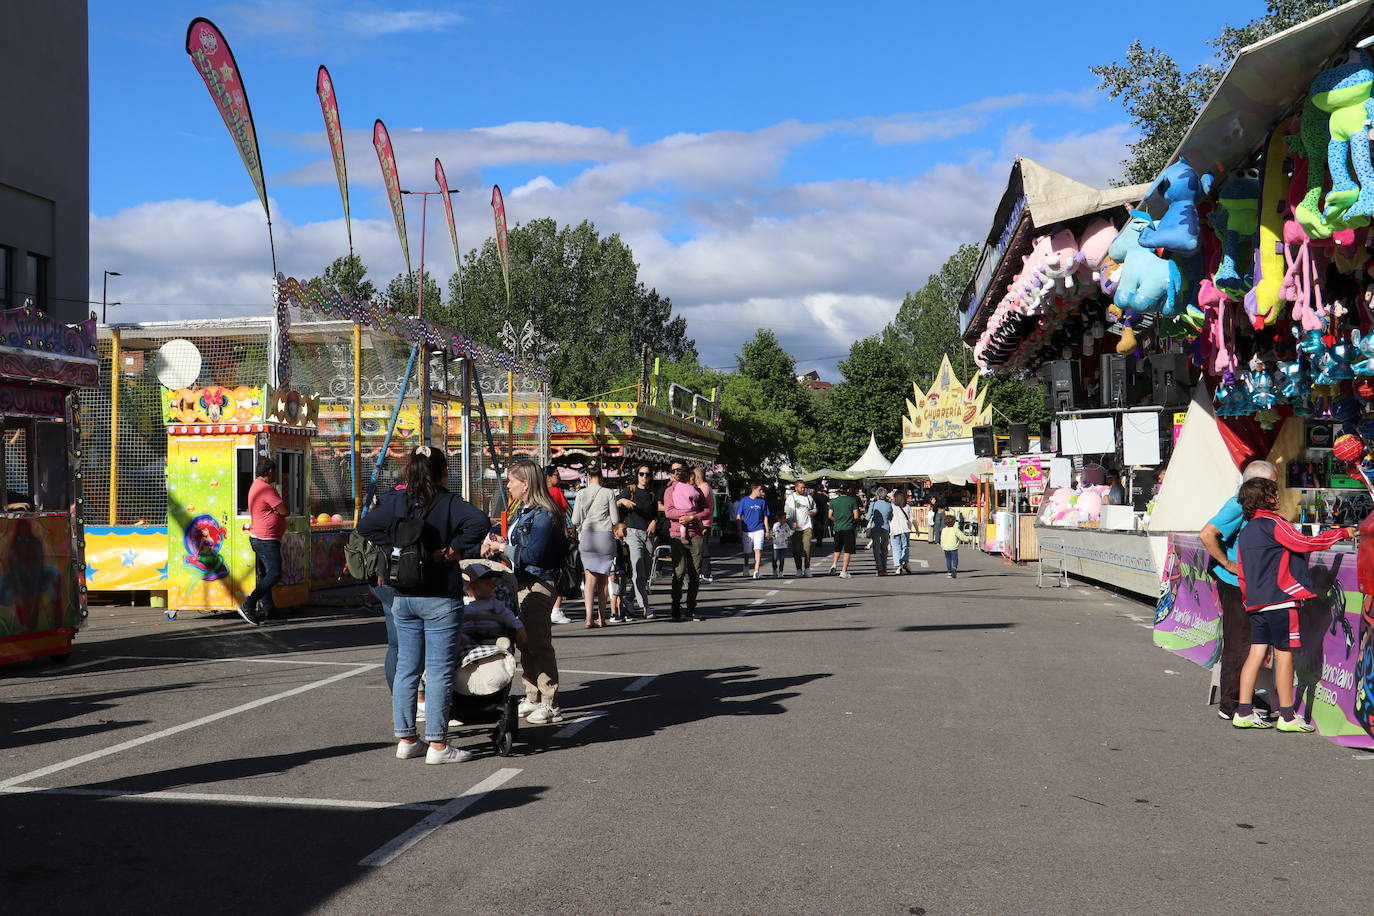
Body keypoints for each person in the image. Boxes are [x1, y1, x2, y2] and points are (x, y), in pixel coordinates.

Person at [358, 446, 491, 764]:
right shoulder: (448, 502)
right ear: (444, 472)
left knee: (407, 668)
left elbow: (365, 527)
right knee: (439, 672)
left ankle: (406, 738)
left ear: (410, 473)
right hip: (440, 597)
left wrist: (396, 547)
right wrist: (451, 551)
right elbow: (480, 522)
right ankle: (438, 745)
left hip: (403, 596)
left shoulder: (398, 502)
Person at [1233, 477, 1353, 731]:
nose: (1278, 497)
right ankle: (1287, 716)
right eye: (1274, 493)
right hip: (1281, 600)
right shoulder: (1275, 523)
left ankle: (1243, 710)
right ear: (1267, 498)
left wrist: (1249, 599)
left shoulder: (1246, 531)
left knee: (1256, 654)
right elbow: (1305, 543)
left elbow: (1241, 571)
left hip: (1256, 601)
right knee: (1284, 655)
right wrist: (1341, 533)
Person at [489, 457, 569, 725]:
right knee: (526, 641)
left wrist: (502, 548)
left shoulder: (545, 514)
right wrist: (501, 542)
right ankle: (532, 694)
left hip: (538, 583)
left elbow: (533, 553)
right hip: (521, 582)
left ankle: (550, 701)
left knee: (539, 642)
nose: (508, 485)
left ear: (525, 483)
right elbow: (521, 546)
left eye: (511, 480)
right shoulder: (524, 511)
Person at [1199, 460, 1279, 721]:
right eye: (1273, 484)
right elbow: (1207, 533)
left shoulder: (1250, 504)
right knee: (1240, 642)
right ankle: (1231, 703)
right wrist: (1227, 563)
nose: (1277, 490)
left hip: (1247, 582)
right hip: (1234, 583)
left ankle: (1241, 695)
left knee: (1248, 641)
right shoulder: (1237, 504)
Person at [570, 465, 620, 628]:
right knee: (603, 580)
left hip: (588, 536)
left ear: (588, 478)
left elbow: (575, 520)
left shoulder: (581, 494)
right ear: (602, 477)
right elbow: (614, 519)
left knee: (589, 579)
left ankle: (588, 618)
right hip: (604, 536)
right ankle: (602, 618)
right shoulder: (608, 493)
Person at [241, 457, 289, 626]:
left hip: (259, 537)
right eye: (275, 471)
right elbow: (285, 510)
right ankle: (249, 603)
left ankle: (269, 609)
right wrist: (278, 512)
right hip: (266, 539)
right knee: (274, 574)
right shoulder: (267, 489)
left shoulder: (256, 485)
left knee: (266, 575)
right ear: (270, 471)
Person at [663, 460, 711, 620]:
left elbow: (707, 510)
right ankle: (675, 607)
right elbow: (669, 512)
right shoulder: (669, 490)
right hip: (677, 534)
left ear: (685, 472)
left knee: (695, 573)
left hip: (695, 534)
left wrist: (693, 516)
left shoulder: (695, 489)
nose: (676, 473)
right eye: (674, 470)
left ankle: (691, 607)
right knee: (679, 571)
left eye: (680, 470)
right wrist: (683, 516)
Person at [617, 463, 658, 619]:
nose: (644, 477)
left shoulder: (652, 495)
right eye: (642, 474)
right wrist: (622, 501)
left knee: (646, 572)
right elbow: (614, 502)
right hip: (632, 533)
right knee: (637, 567)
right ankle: (645, 607)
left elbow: (655, 513)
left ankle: (628, 599)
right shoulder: (630, 489)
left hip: (648, 535)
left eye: (647, 474)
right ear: (637, 475)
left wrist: (654, 521)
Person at [543, 465, 573, 625]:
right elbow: (564, 512)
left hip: (542, 537)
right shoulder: (556, 492)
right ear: (549, 477)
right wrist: (566, 533)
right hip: (556, 536)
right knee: (559, 573)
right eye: (557, 475)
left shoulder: (539, 492)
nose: (559, 478)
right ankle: (556, 609)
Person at [784, 480, 816, 577]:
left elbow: (815, 508)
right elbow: (787, 513)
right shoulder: (790, 499)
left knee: (807, 547)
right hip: (795, 528)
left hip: (807, 526)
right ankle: (798, 569)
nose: (803, 489)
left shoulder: (808, 497)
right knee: (796, 549)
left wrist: (813, 512)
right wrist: (790, 522)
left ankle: (807, 568)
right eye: (801, 487)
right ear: (796, 488)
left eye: (804, 487)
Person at [737, 483, 769, 579]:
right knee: (747, 552)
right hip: (747, 530)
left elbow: (765, 517)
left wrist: (767, 530)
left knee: (758, 550)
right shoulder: (744, 501)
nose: (762, 492)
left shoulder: (762, 502)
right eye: (760, 490)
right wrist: (739, 528)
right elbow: (739, 515)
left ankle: (756, 571)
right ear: (754, 489)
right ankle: (746, 567)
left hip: (759, 528)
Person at [828, 483, 861, 578]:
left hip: (837, 527)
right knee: (847, 550)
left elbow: (829, 515)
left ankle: (834, 564)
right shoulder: (852, 501)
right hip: (848, 527)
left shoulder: (833, 501)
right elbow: (856, 516)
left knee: (837, 548)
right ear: (848, 490)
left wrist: (837, 520)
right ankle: (844, 571)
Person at [692, 466, 716, 583]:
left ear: (697, 477)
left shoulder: (704, 488)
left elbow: (698, 505)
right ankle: (703, 572)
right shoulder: (703, 487)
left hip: (704, 523)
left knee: (704, 548)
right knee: (700, 548)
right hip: (702, 522)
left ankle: (707, 573)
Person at [866, 487, 894, 576]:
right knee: (884, 548)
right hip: (885, 527)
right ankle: (884, 567)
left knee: (876, 548)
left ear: (877, 495)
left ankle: (879, 568)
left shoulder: (873, 504)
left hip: (875, 528)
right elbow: (890, 517)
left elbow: (867, 517)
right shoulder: (889, 505)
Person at [890, 489, 912, 574]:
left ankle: (898, 566)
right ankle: (905, 562)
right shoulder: (907, 507)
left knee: (896, 548)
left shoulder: (891, 506)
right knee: (905, 547)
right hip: (904, 529)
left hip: (894, 530)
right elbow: (912, 519)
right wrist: (916, 529)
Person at [770, 513, 791, 578]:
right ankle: (775, 568)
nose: (785, 519)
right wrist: (773, 537)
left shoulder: (786, 525)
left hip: (784, 544)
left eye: (785, 518)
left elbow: (789, 533)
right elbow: (772, 533)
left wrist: (788, 533)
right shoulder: (775, 525)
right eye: (783, 518)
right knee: (775, 558)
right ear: (779, 519)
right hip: (776, 545)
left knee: (782, 559)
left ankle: (781, 572)